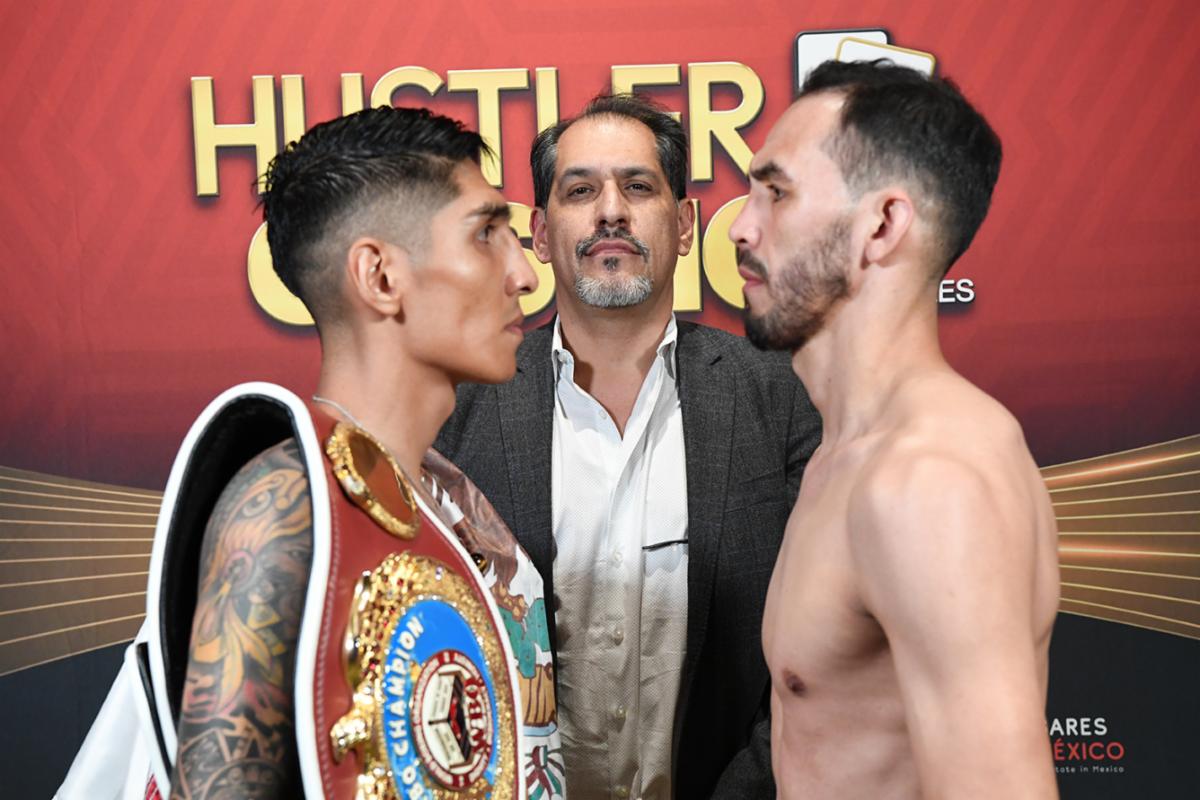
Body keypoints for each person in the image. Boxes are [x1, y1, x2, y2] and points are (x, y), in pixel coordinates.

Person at [58, 106, 566, 800]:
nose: (525, 274)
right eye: (485, 234)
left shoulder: (450, 502)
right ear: (380, 277)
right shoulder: (285, 502)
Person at [435, 94, 821, 799]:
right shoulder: (456, 409)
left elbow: (819, 660)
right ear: (541, 232)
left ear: (684, 225)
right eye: (581, 191)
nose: (610, 212)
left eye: (638, 187)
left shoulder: (781, 397)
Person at [731, 60, 1060, 799]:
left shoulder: (927, 480)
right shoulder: (847, 455)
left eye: (776, 193)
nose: (742, 227)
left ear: (881, 227)